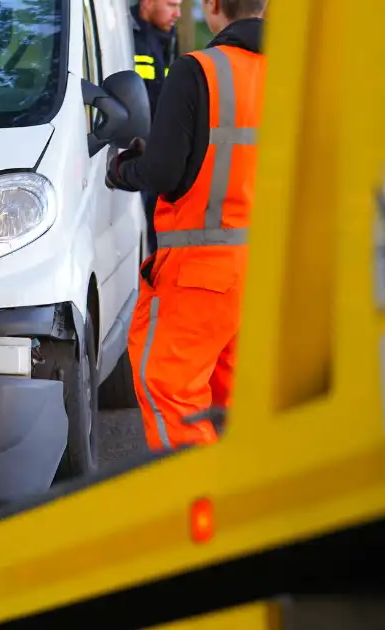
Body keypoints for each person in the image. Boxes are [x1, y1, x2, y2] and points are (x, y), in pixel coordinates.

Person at [104, 0, 267, 452]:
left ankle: (198, 499)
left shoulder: (196, 70)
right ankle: (246, 503)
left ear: (213, 6)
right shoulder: (290, 75)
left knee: (169, 387)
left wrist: (124, 171)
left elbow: (163, 173)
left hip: (200, 268)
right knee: (235, 402)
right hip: (264, 269)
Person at [131, 0, 180, 255]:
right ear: (147, 3)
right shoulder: (128, 38)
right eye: (172, 4)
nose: (178, 13)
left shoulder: (168, 38)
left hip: (159, 149)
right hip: (135, 148)